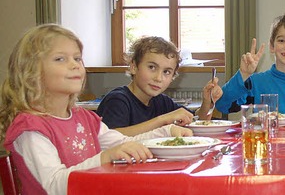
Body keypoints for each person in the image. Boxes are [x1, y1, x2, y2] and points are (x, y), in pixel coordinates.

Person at [0, 24, 193, 195]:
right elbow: (54, 185)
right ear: (31, 71)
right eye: (60, 59)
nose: (75, 65)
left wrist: (166, 132)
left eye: (77, 58)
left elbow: (123, 143)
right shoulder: (31, 128)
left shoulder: (83, 118)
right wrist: (105, 157)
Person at [97, 36, 223, 136]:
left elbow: (195, 121)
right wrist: (162, 120)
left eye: (166, 72)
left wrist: (207, 102)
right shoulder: (117, 100)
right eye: (152, 67)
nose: (158, 78)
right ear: (134, 67)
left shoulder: (161, 101)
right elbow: (110, 138)